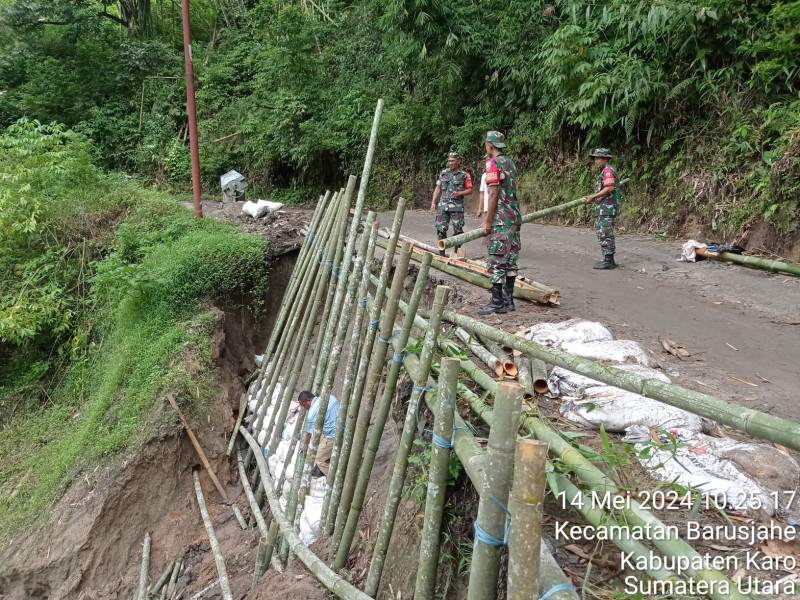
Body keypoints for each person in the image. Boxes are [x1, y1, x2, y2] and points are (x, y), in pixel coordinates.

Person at [478, 131, 521, 315]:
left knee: (496, 260)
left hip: (501, 218)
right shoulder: (510, 163)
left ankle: (497, 302)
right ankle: (508, 300)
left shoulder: (492, 163)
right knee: (510, 260)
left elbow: (493, 193)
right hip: (514, 217)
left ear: (490, 145)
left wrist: (487, 221)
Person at [582, 148, 621, 270]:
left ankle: (609, 261)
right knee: (603, 231)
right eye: (595, 158)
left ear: (605, 159)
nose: (596, 161)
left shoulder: (608, 170)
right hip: (605, 207)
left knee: (605, 232)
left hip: (607, 207)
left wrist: (593, 196)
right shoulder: (606, 170)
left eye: (598, 158)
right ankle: (608, 259)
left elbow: (609, 187)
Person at [430, 152, 472, 256]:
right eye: (449, 161)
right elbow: (438, 187)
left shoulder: (464, 175)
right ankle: (442, 254)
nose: (450, 163)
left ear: (458, 161)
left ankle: (456, 253)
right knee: (440, 229)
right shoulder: (443, 173)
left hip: (456, 207)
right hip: (443, 206)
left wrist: (459, 193)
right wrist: (433, 202)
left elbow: (470, 190)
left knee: (458, 230)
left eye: (453, 161)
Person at [297, 390, 340, 478]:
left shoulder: (312, 413)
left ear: (308, 400)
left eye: (304, 405)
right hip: (345, 428)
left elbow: (310, 433)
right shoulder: (331, 397)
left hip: (333, 436)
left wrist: (305, 444)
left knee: (319, 458)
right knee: (320, 442)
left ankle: (336, 478)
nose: (305, 408)